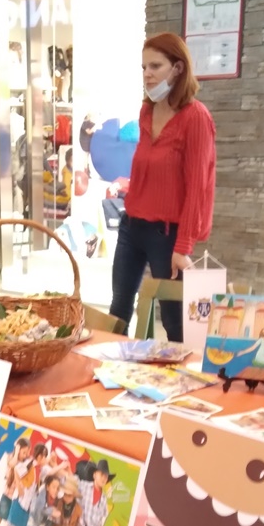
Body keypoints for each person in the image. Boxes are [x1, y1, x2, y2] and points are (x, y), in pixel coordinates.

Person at [108, 32, 216, 343]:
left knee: (175, 321)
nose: (147, 74)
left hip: (166, 235)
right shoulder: (147, 111)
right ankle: (115, 366)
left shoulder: (196, 117)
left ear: (178, 68)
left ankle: (181, 373)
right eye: (143, 67)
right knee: (118, 311)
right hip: (132, 226)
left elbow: (197, 187)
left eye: (155, 66)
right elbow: (151, 168)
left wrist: (183, 247)